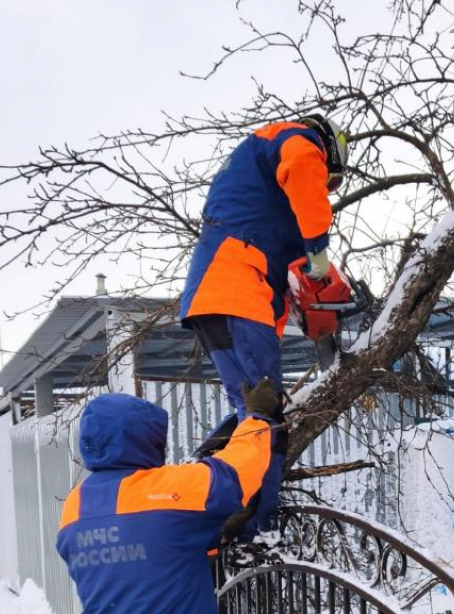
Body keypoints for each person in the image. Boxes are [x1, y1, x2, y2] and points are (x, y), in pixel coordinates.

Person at [178, 114, 348, 537]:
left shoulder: (255, 192)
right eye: (328, 182)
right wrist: (319, 250)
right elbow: (304, 174)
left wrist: (303, 290)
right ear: (329, 151)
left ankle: (212, 486)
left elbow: (283, 264)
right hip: (237, 290)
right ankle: (259, 528)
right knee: (266, 416)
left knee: (247, 410)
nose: (323, 191)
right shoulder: (298, 139)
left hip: (214, 295)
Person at [57, 386, 283, 614]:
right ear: (145, 439)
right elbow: (234, 473)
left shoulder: (75, 503)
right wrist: (258, 417)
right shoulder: (169, 488)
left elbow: (140, 555)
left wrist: (211, 536)